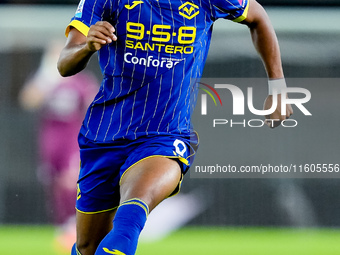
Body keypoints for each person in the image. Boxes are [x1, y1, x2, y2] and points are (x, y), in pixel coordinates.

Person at [57, 0, 293, 254]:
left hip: (165, 133)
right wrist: (87, 48)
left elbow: (257, 16)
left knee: (130, 218)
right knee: (86, 247)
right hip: (104, 135)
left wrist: (278, 87)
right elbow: (64, 63)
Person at [19, 41, 98, 251]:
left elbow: (94, 106)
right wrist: (46, 78)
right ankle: (63, 226)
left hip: (72, 138)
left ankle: (75, 224)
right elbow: (28, 101)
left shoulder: (81, 81)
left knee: (70, 181)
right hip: (49, 140)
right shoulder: (46, 81)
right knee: (54, 184)